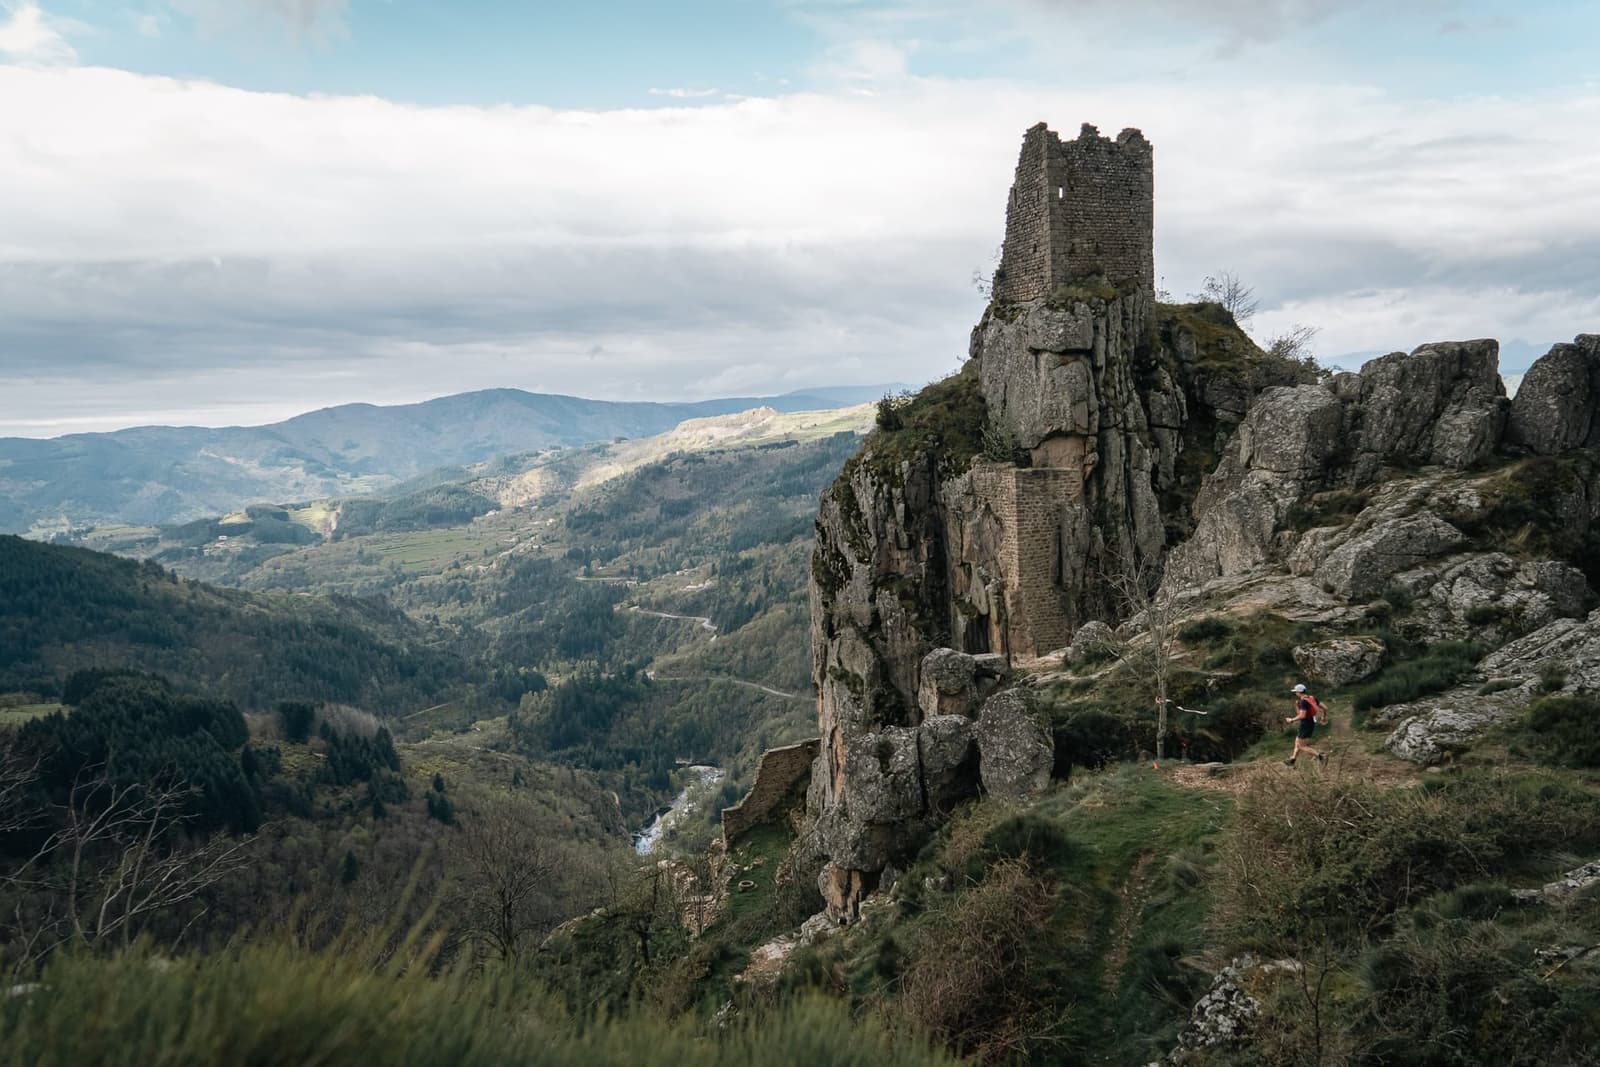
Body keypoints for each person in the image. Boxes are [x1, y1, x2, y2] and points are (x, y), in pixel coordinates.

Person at [1284, 683, 1327, 767]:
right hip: (1310, 722)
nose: (1295, 693)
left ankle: (1321, 757)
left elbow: (1302, 715)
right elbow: (1325, 708)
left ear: (1299, 692)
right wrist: (1324, 717)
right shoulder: (1312, 698)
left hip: (1305, 724)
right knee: (1297, 742)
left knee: (1302, 746)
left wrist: (1291, 720)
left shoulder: (1303, 702)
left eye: (1296, 692)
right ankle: (1292, 760)